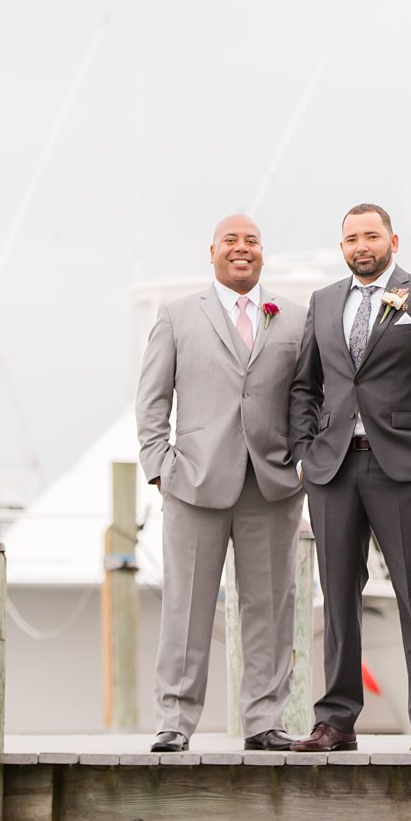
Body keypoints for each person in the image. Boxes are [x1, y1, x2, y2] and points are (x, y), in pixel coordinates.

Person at [288, 203, 411, 752]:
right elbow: (305, 385)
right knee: (338, 595)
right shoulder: (322, 303)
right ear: (341, 246)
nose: (361, 246)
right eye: (350, 238)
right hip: (333, 467)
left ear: (393, 239)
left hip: (404, 467)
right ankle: (336, 721)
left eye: (371, 236)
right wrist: (303, 452)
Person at [136, 214, 306, 752]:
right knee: (186, 606)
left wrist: (301, 463)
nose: (242, 248)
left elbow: (309, 400)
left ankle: (264, 720)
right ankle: (175, 721)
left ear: (263, 253)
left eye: (252, 241)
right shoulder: (177, 316)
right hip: (193, 483)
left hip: (272, 485)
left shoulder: (295, 320)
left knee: (271, 605)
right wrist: (160, 466)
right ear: (210, 252)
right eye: (231, 241)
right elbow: (152, 399)